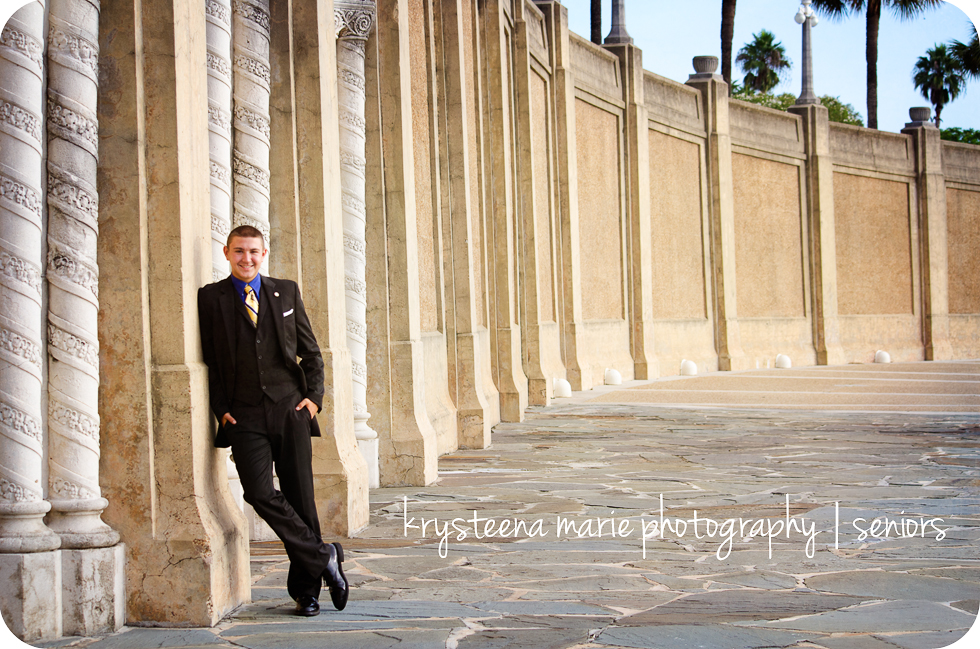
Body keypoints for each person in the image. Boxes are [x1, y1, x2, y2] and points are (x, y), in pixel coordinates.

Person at [198, 225, 349, 616]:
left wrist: (313, 400)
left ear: (263, 254)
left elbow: (311, 354)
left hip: (290, 410)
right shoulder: (210, 298)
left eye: (253, 252)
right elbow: (210, 361)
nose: (246, 259)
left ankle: (306, 591)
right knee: (259, 491)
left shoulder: (286, 291)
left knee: (301, 498)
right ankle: (324, 555)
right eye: (239, 252)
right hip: (244, 415)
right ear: (227, 252)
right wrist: (221, 409)